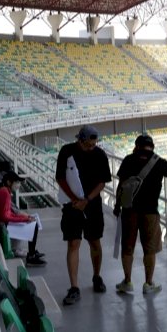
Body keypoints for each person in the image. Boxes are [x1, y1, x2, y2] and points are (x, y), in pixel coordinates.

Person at [114, 134, 167, 294]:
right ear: (152, 147)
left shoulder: (128, 159)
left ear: (136, 146)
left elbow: (121, 186)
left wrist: (117, 205)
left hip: (129, 211)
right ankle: (148, 284)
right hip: (150, 213)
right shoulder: (159, 162)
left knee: (127, 248)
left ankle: (127, 281)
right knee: (150, 249)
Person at [55, 125, 111, 306]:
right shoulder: (66, 151)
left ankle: (97, 276)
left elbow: (102, 182)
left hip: (92, 205)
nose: (91, 147)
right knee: (73, 242)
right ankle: (74, 287)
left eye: (94, 144)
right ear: (80, 140)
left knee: (95, 241)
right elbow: (61, 178)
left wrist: (86, 200)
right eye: (88, 145)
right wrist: (74, 199)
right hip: (72, 206)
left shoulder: (100, 155)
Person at [0, 171, 46, 267]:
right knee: (33, 225)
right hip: (0, 228)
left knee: (32, 222)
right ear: (9, 182)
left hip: (1, 225)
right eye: (17, 182)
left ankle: (32, 253)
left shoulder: (4, 191)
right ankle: (31, 256)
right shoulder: (4, 193)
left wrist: (24, 217)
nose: (19, 185)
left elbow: (8, 213)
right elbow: (5, 216)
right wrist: (24, 219)